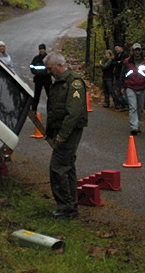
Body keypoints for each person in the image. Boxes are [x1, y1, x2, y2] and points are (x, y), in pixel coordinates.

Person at [43, 51, 88, 219]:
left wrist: (63, 134)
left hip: (69, 132)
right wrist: (50, 132)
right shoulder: (58, 83)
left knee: (58, 168)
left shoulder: (73, 82)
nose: (49, 72)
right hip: (61, 131)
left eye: (50, 68)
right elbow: (54, 110)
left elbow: (74, 112)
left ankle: (66, 207)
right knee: (67, 167)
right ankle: (70, 206)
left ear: (58, 66)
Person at [121, 43, 145, 135]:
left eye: (138, 50)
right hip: (130, 86)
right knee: (133, 107)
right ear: (133, 51)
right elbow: (122, 73)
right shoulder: (127, 61)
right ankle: (134, 126)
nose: (137, 52)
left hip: (142, 87)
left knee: (140, 108)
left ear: (141, 51)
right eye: (135, 50)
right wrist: (123, 85)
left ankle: (138, 123)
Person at [29, 43, 52, 112]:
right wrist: (36, 72)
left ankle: (51, 109)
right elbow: (31, 67)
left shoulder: (48, 58)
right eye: (40, 49)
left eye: (42, 49)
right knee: (37, 95)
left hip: (47, 79)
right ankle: (34, 109)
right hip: (38, 79)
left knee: (50, 95)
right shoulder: (36, 59)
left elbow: (52, 67)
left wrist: (47, 73)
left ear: (45, 50)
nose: (41, 50)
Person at [112, 43, 129, 110]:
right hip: (117, 74)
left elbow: (122, 63)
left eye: (117, 48)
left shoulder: (125, 55)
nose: (116, 49)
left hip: (123, 75)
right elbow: (114, 62)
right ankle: (121, 104)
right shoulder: (117, 55)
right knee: (118, 90)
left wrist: (118, 63)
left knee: (122, 90)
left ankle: (125, 105)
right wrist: (117, 62)